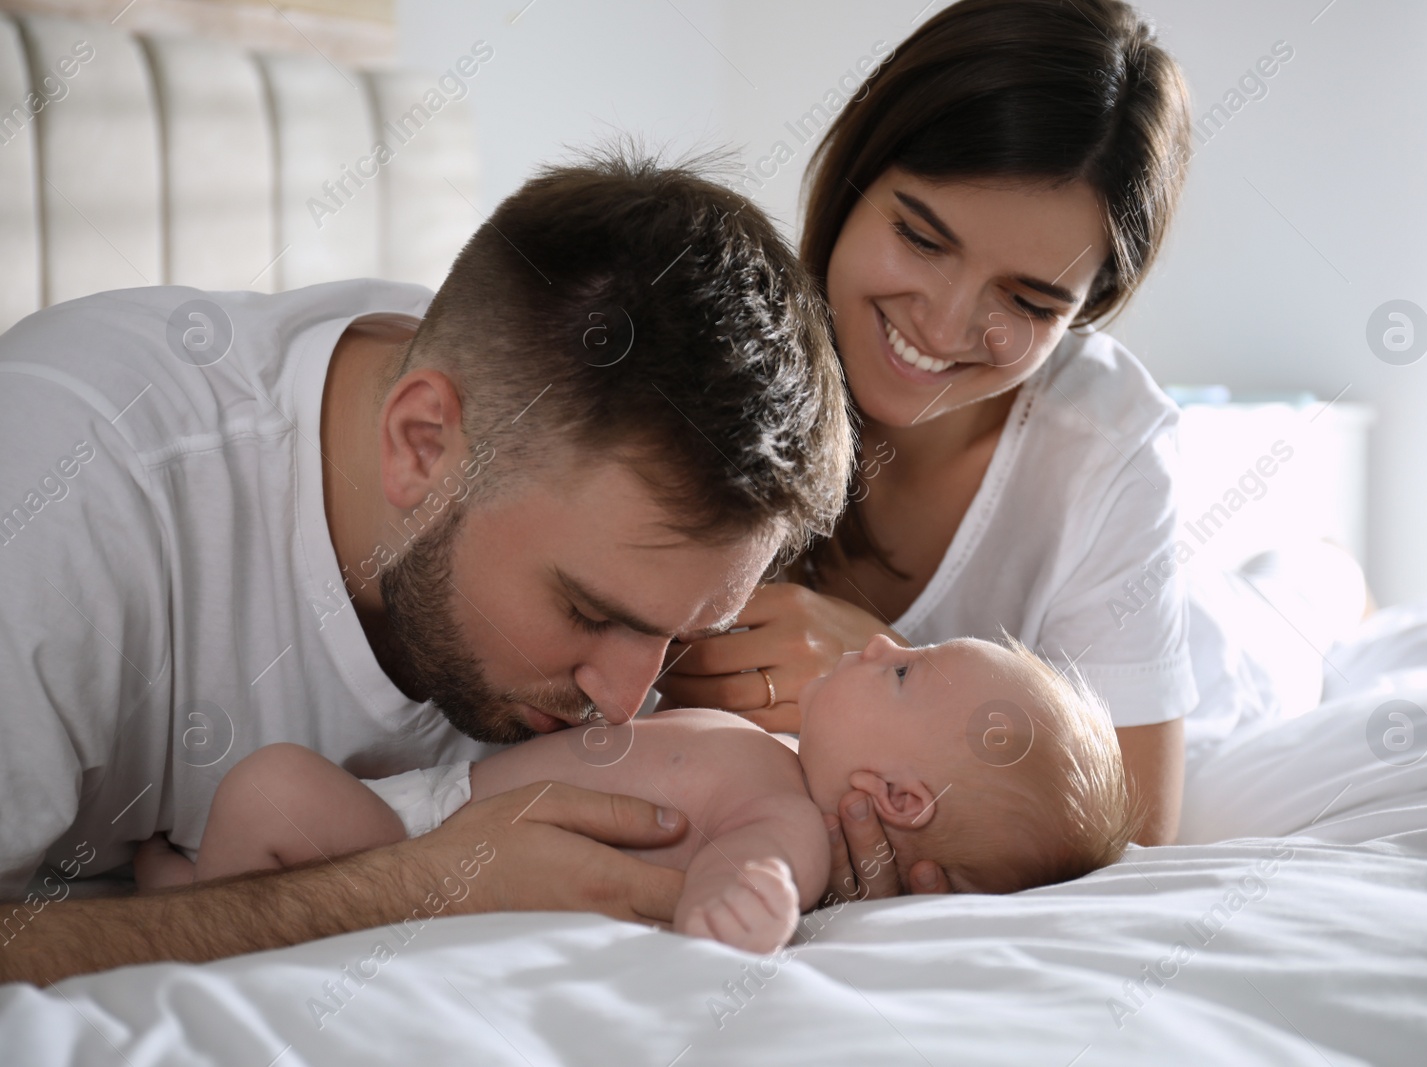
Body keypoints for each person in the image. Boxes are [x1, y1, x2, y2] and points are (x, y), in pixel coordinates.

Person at [0, 147, 853, 984]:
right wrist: (415, 890)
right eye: (591, 615)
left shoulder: (555, 451)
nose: (625, 700)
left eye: (678, 640)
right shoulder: (63, 479)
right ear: (422, 445)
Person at [657, 0, 1200, 901]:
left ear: (1083, 314)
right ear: (853, 174)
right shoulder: (716, 353)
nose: (946, 325)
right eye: (919, 236)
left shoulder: (1104, 442)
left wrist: (883, 658)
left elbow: (1136, 832)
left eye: (1028, 302)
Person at [136, 634, 1135, 956]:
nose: (878, 641)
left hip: (435, 836)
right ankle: (204, 875)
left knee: (272, 786)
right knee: (283, 790)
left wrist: (741, 898)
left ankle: (194, 904)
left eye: (905, 672)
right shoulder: (775, 751)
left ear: (899, 798)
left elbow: (758, 867)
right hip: (434, 798)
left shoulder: (785, 813)